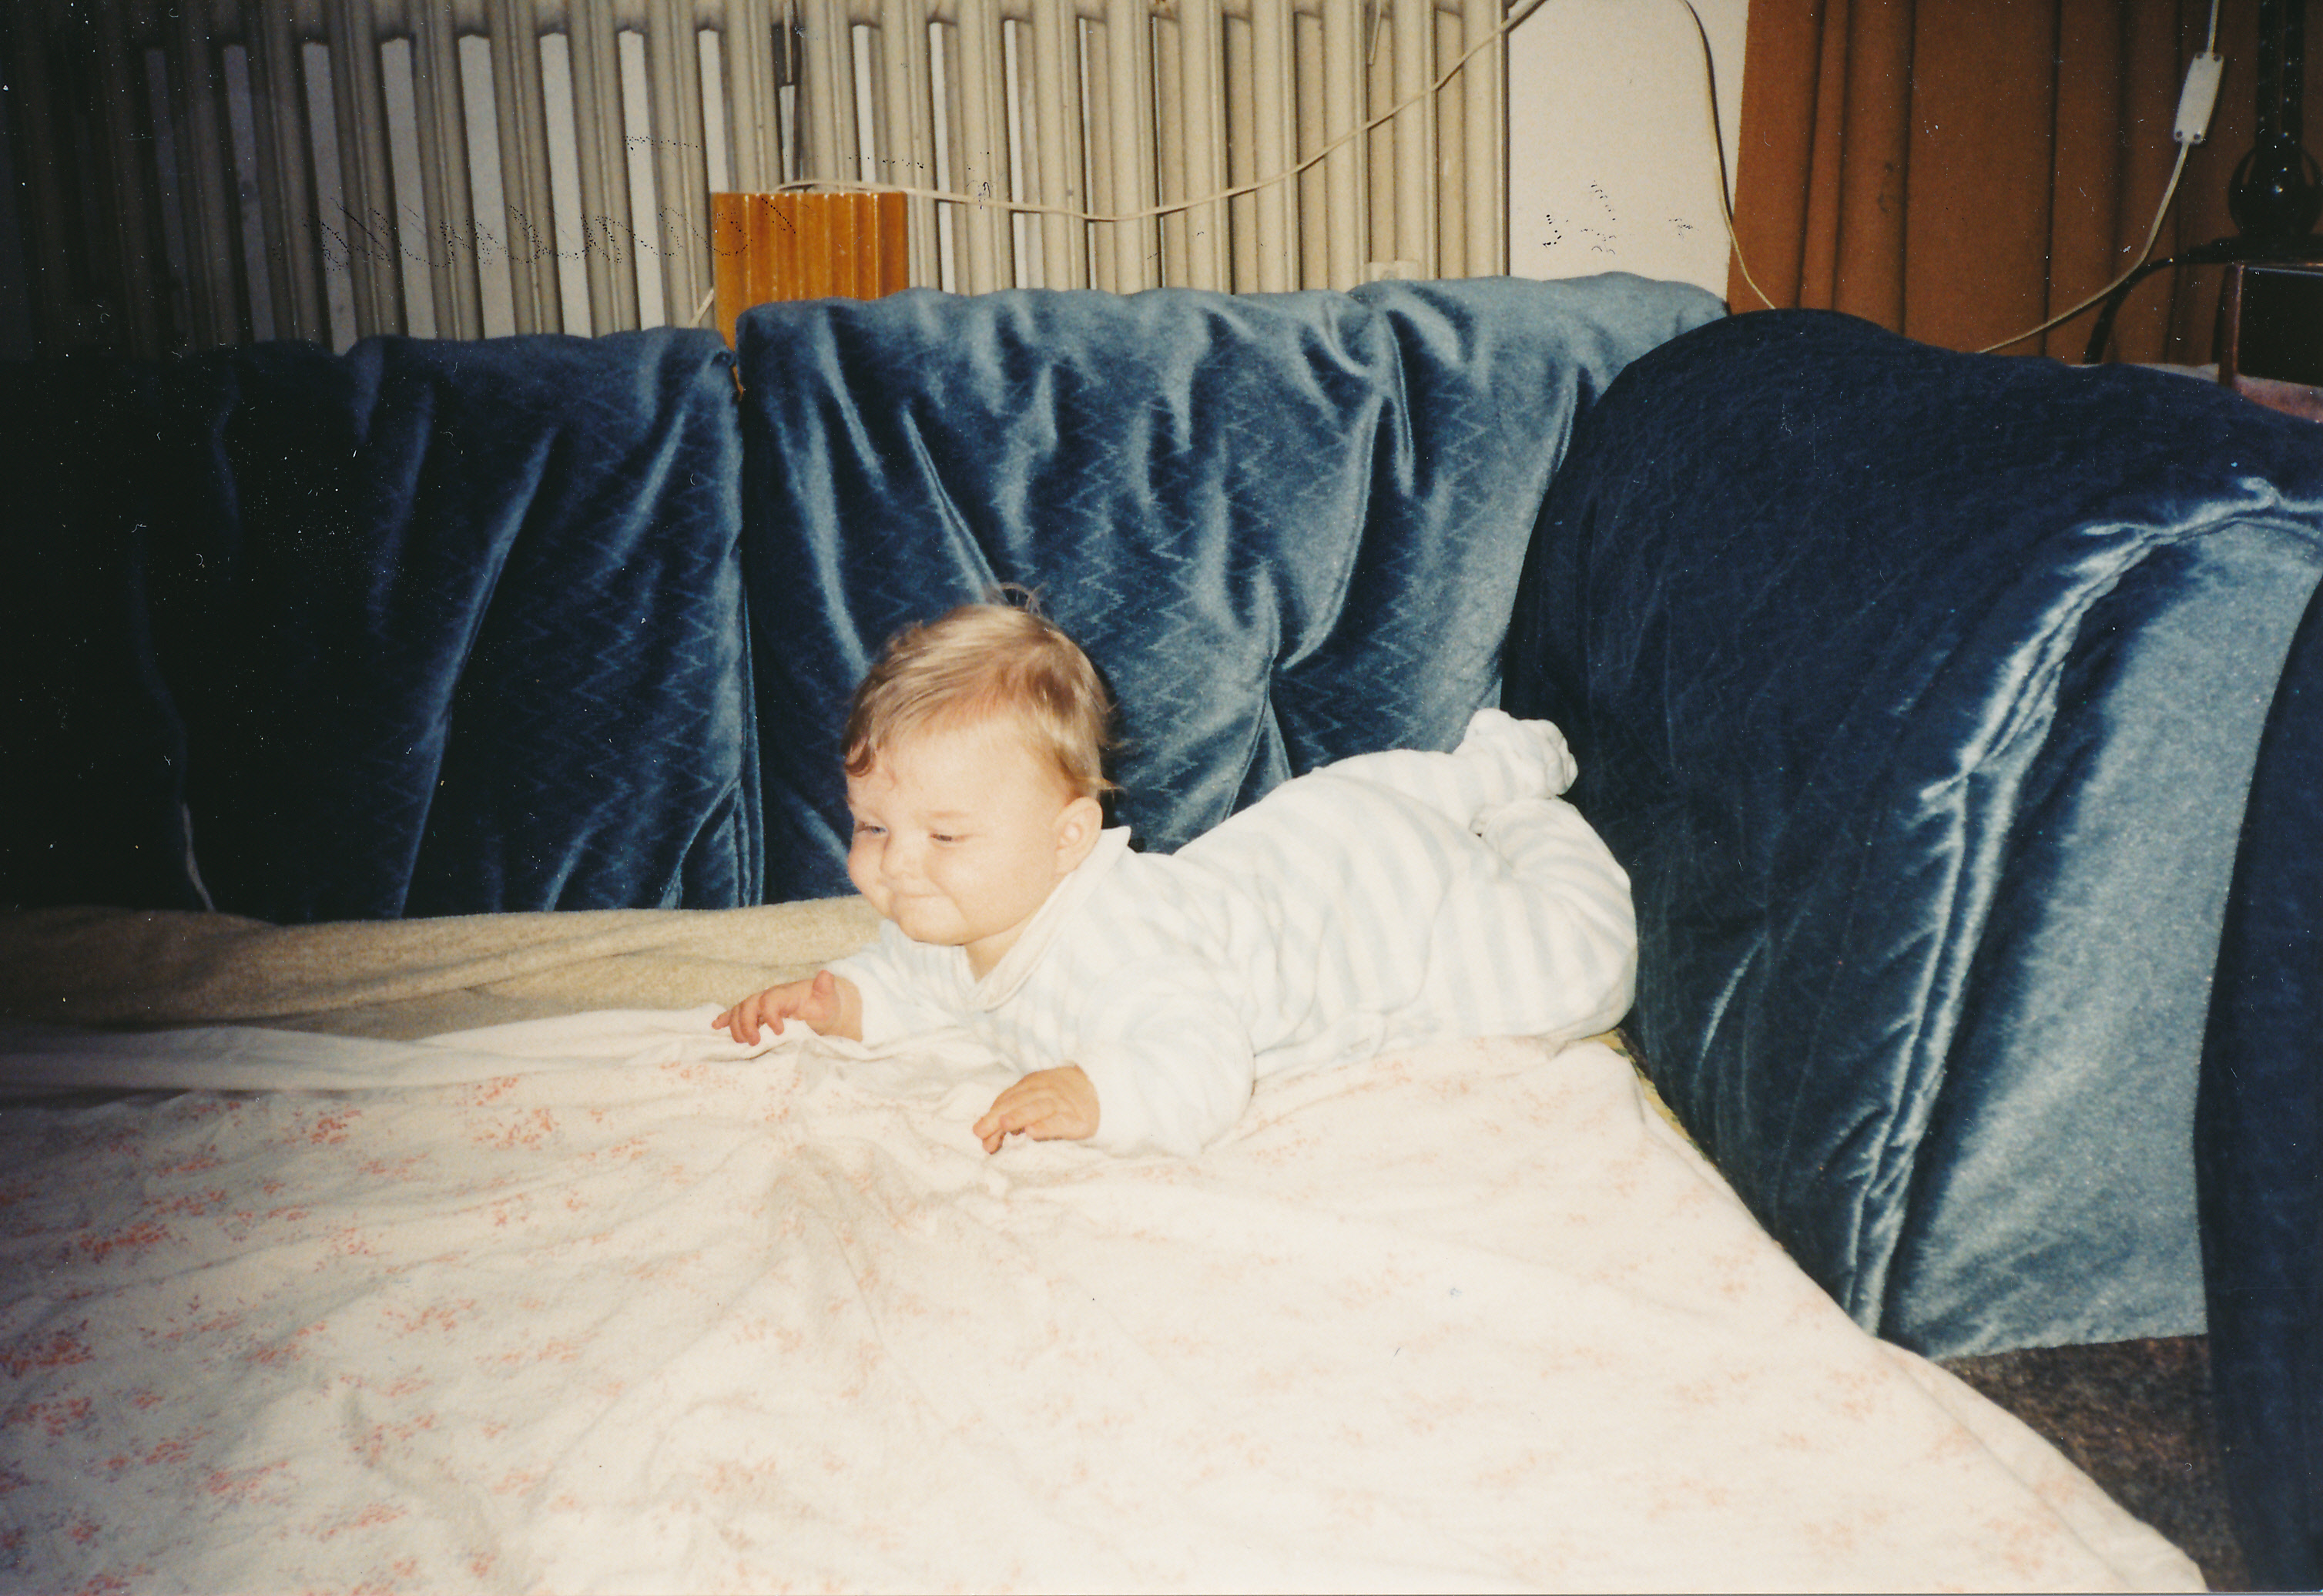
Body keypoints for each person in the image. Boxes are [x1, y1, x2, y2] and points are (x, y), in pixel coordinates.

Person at [715, 600, 1635, 1158]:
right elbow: (916, 976)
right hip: (1302, 840)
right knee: (1381, 796)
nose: (896, 863)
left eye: (944, 833)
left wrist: (1097, 1094)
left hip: (1386, 904)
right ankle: (1482, 777)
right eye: (873, 825)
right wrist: (837, 1000)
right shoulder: (965, 910)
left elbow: (1199, 1064)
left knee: (1581, 976)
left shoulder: (1120, 956)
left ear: (1068, 839)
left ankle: (1528, 808)